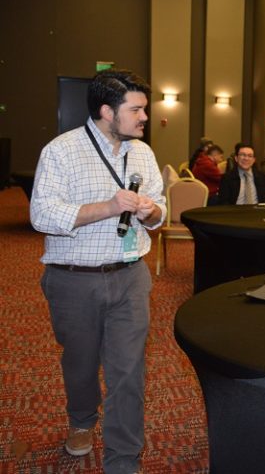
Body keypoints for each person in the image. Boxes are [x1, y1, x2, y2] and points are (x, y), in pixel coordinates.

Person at [29, 69, 166, 473]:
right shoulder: (61, 151)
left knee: (128, 372)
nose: (144, 117)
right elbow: (42, 214)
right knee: (81, 364)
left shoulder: (143, 152)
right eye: (137, 109)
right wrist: (110, 207)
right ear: (108, 111)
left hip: (129, 276)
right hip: (73, 279)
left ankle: (123, 461)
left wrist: (152, 211)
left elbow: (159, 211)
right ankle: (82, 421)